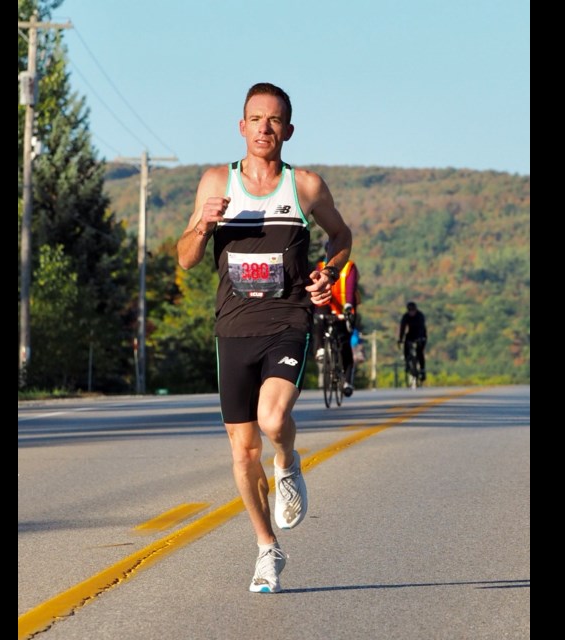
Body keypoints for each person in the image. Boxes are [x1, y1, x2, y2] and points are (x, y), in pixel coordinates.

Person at [176, 82, 352, 594]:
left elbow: (341, 238)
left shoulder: (306, 188)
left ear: (288, 131)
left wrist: (328, 271)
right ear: (241, 126)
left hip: (287, 322)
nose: (264, 128)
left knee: (273, 419)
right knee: (242, 450)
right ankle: (266, 549)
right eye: (256, 119)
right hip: (232, 329)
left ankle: (289, 462)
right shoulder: (215, 183)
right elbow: (185, 259)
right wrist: (204, 227)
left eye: (274, 120)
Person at [312, 254, 359, 396]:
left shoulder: (349, 266)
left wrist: (348, 307)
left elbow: (350, 288)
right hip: (326, 303)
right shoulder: (320, 266)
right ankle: (320, 349)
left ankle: (347, 382)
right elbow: (316, 287)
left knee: (344, 344)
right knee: (319, 319)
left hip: (345, 306)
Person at [398, 301, 427, 381]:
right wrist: (400, 339)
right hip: (411, 334)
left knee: (419, 351)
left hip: (421, 334)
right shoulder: (406, 316)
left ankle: (422, 370)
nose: (412, 312)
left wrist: (421, 339)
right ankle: (407, 362)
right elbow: (402, 328)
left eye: (413, 310)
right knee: (406, 346)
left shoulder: (420, 316)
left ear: (416, 310)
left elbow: (422, 327)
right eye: (410, 311)